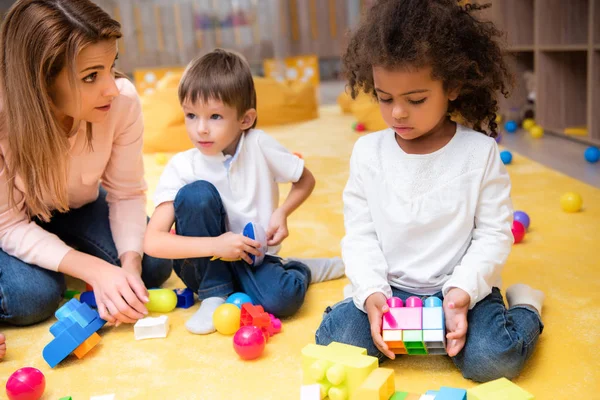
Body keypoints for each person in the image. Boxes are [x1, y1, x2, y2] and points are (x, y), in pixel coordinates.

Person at [315, 0, 544, 382]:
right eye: (384, 98)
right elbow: (360, 234)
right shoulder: (368, 153)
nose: (397, 114)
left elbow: (493, 234)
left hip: (460, 287)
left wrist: (462, 292)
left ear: (452, 86)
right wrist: (372, 293)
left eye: (415, 100)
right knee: (336, 344)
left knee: (493, 360)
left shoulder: (479, 153)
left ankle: (527, 306)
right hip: (391, 288)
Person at [0, 0, 173, 359]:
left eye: (112, 67)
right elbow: (8, 224)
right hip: (10, 221)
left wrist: (128, 268)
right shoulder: (5, 121)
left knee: (152, 264)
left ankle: (70, 252)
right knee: (33, 297)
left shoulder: (121, 102)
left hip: (74, 206)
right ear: (40, 81)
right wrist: (93, 269)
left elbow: (125, 193)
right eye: (91, 76)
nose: (111, 87)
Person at [144, 49, 344, 335]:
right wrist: (216, 246)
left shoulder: (260, 145)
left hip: (252, 256)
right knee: (196, 194)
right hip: (201, 265)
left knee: (282, 299)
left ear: (245, 120)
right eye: (191, 115)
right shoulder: (182, 166)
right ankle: (214, 294)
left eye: (214, 116)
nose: (200, 129)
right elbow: (153, 242)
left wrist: (282, 212)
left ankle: (301, 268)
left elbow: (305, 179)